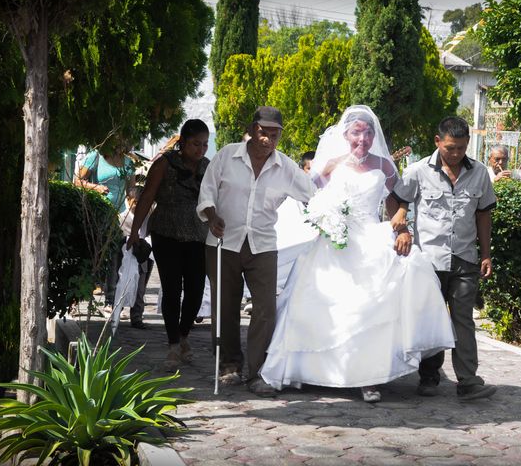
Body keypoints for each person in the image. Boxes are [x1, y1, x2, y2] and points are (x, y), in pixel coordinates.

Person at [260, 105, 455, 403]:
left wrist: (401, 228)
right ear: (345, 135)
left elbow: (395, 201)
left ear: (374, 136)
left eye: (367, 134)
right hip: (333, 242)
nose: (361, 139)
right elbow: (313, 199)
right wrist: (325, 219)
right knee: (322, 304)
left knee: (370, 306)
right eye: (356, 133)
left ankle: (367, 376)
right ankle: (308, 371)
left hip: (370, 235)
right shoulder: (331, 165)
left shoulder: (385, 166)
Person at [197, 106, 316, 397]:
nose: (268, 141)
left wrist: (334, 219)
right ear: (253, 129)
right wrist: (212, 217)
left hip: (263, 245)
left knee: (265, 309)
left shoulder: (285, 166)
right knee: (225, 305)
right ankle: (229, 365)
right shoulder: (227, 155)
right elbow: (207, 191)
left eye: (274, 135)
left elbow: (313, 195)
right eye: (264, 133)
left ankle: (259, 371)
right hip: (224, 241)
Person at [389, 116, 498, 401]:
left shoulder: (480, 173)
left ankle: (468, 381)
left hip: (464, 258)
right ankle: (429, 375)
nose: (456, 154)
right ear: (438, 142)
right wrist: (402, 224)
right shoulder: (417, 171)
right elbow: (398, 199)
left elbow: (483, 214)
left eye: (462, 148)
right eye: (451, 148)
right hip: (429, 261)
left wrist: (485, 254)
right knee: (431, 318)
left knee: (463, 320)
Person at [127, 119, 210, 370]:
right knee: (172, 290)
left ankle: (184, 335)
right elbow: (148, 196)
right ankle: (173, 343)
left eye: (205, 144)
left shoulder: (208, 167)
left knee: (195, 291)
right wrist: (134, 231)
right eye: (196, 144)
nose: (201, 149)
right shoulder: (164, 164)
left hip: (198, 235)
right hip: (167, 233)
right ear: (183, 141)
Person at [75, 147, 136, 316]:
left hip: (119, 215)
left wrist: (134, 198)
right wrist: (96, 188)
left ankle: (112, 302)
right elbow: (78, 180)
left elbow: (130, 189)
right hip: (97, 213)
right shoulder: (96, 156)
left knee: (116, 257)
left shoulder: (128, 162)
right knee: (92, 255)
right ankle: (77, 299)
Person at [120, 185, 153, 329]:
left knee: (140, 288)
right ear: (128, 200)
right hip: (125, 257)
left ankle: (137, 316)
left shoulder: (148, 217)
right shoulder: (122, 216)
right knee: (122, 285)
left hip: (142, 255)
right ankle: (117, 310)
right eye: (135, 202)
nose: (137, 206)